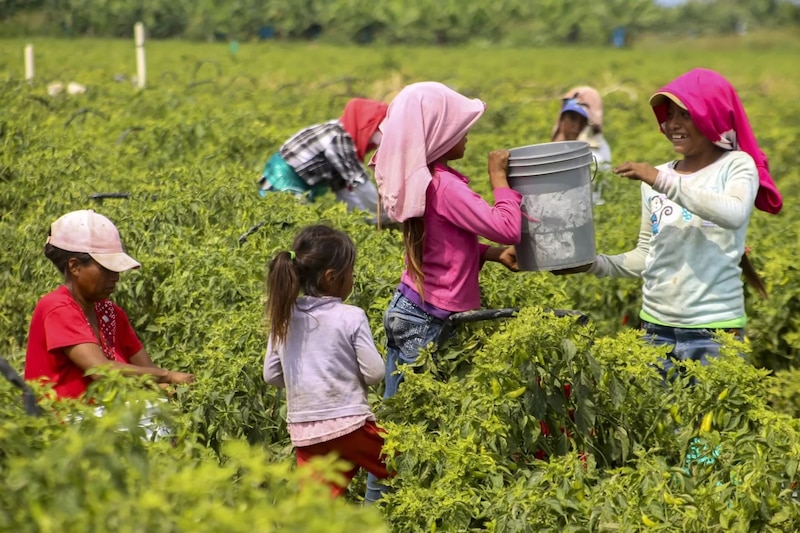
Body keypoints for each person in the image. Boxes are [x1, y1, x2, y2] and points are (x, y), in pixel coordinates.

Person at [558, 68, 782, 378]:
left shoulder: (736, 165)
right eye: (670, 114)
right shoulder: (655, 180)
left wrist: (661, 180)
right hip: (656, 329)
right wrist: (594, 264)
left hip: (714, 332)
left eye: (685, 114)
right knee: (661, 424)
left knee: (711, 425)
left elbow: (733, 214)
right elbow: (646, 256)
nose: (672, 124)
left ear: (710, 115)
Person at [372, 81, 523, 399]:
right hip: (429, 319)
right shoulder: (445, 187)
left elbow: (442, 247)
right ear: (437, 136)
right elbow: (508, 228)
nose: (466, 131)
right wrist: (499, 178)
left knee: (401, 412)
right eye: (458, 127)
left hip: (411, 309)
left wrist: (491, 254)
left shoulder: (425, 180)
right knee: (424, 412)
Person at [262, 224, 390, 498]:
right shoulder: (351, 315)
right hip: (351, 426)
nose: (352, 278)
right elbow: (375, 373)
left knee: (316, 510)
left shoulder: (283, 316)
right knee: (410, 465)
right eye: (351, 272)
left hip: (305, 433)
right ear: (332, 277)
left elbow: (271, 376)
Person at [24, 210, 195, 400]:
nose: (116, 277)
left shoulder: (110, 313)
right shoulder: (57, 307)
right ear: (75, 267)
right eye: (107, 269)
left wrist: (178, 391)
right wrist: (169, 376)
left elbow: (150, 373)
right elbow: (100, 370)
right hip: (64, 421)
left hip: (108, 417)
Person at [257, 98, 389, 223]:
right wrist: (385, 214)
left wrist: (368, 218)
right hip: (285, 175)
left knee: (294, 221)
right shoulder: (339, 137)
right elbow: (359, 182)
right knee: (290, 221)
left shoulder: (342, 138)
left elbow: (343, 190)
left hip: (294, 176)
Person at [551, 86, 612, 170]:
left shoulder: (594, 152)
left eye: (583, 120)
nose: (576, 126)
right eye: (572, 118)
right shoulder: (556, 147)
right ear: (562, 119)